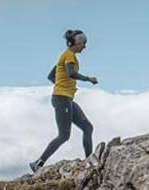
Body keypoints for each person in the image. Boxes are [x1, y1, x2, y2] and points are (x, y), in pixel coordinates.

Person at [30, 29, 98, 173]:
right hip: (62, 99)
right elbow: (71, 73)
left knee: (87, 127)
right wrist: (88, 79)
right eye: (83, 44)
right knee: (64, 135)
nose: (85, 47)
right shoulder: (70, 55)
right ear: (77, 43)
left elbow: (51, 76)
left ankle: (89, 161)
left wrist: (63, 85)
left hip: (65, 98)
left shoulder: (65, 55)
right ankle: (38, 163)